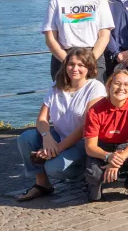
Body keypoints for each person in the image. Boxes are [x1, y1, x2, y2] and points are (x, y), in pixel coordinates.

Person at [16, 48, 106, 201]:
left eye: (80, 65)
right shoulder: (56, 86)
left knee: (55, 168)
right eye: (71, 64)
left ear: (89, 68)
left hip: (83, 141)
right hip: (59, 135)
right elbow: (42, 119)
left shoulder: (95, 88)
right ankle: (42, 184)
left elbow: (86, 126)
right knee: (26, 138)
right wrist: (47, 137)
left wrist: (58, 148)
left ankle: (86, 173)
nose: (75, 69)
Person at [83, 70, 128, 201]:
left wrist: (117, 160)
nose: (122, 88)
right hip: (103, 147)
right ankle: (93, 185)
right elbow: (90, 147)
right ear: (109, 86)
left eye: (127, 85)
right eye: (117, 84)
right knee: (94, 190)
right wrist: (108, 156)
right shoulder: (95, 109)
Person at [44, 0, 114, 81]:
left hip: (93, 59)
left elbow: (104, 36)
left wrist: (88, 62)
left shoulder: (99, 1)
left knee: (94, 101)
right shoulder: (56, 2)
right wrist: (69, 63)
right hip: (63, 59)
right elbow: (50, 39)